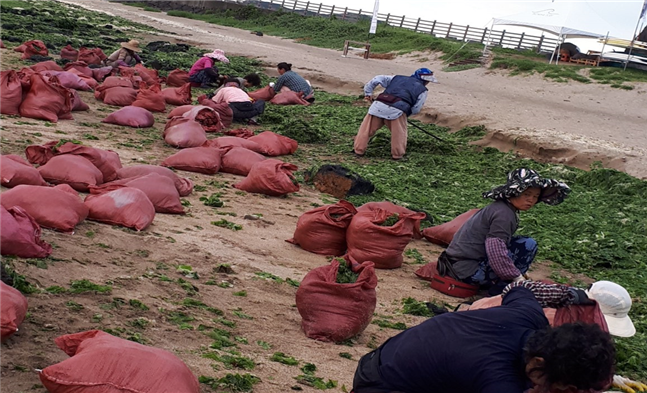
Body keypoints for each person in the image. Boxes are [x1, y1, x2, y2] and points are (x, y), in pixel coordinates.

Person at [351, 282, 615, 393]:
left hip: (383, 358)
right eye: (555, 384)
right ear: (537, 363)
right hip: (380, 384)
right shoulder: (499, 380)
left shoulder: (528, 315)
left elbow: (519, 287)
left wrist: (567, 295)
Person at [442, 168, 570, 294]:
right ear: (514, 192)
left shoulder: (502, 208)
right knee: (527, 244)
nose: (531, 200)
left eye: (535, 196)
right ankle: (501, 290)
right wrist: (516, 277)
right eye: (527, 194)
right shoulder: (504, 214)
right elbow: (495, 250)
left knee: (517, 243)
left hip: (457, 265)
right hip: (467, 271)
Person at [353, 68, 437, 160]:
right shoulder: (423, 90)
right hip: (397, 111)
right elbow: (416, 108)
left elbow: (377, 78)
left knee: (366, 129)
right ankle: (397, 156)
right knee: (399, 134)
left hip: (378, 105)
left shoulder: (396, 78)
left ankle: (358, 151)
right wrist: (405, 114)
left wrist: (368, 93)